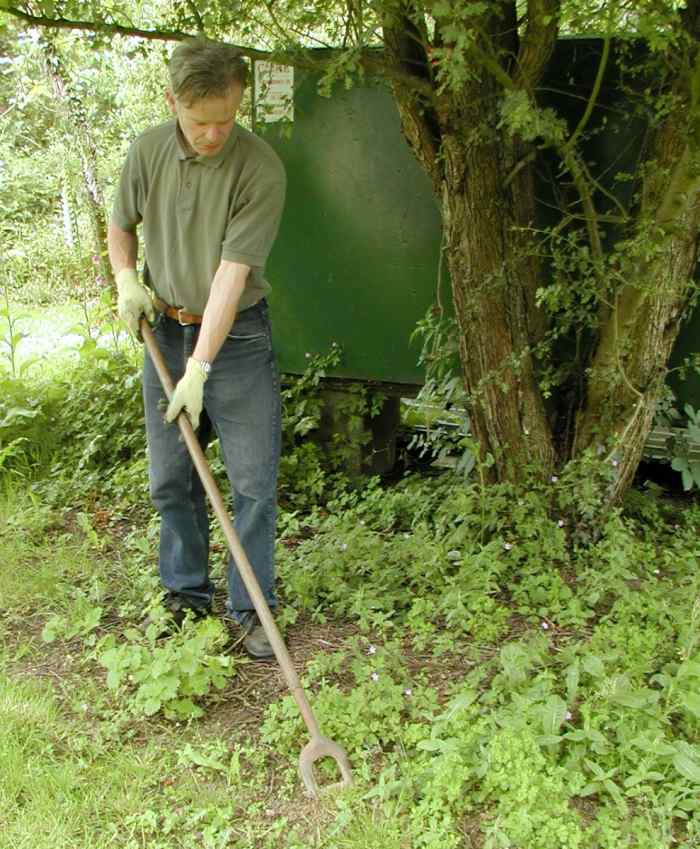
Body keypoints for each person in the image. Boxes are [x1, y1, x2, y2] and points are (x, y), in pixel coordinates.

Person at [107, 38, 286, 659]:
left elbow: (232, 277)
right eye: (200, 120)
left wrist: (201, 368)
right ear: (173, 101)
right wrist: (128, 277)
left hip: (234, 337)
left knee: (253, 482)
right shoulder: (148, 150)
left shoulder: (259, 166)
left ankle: (250, 607)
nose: (214, 133)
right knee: (171, 479)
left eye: (226, 120)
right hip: (165, 327)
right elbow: (120, 221)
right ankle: (185, 596)